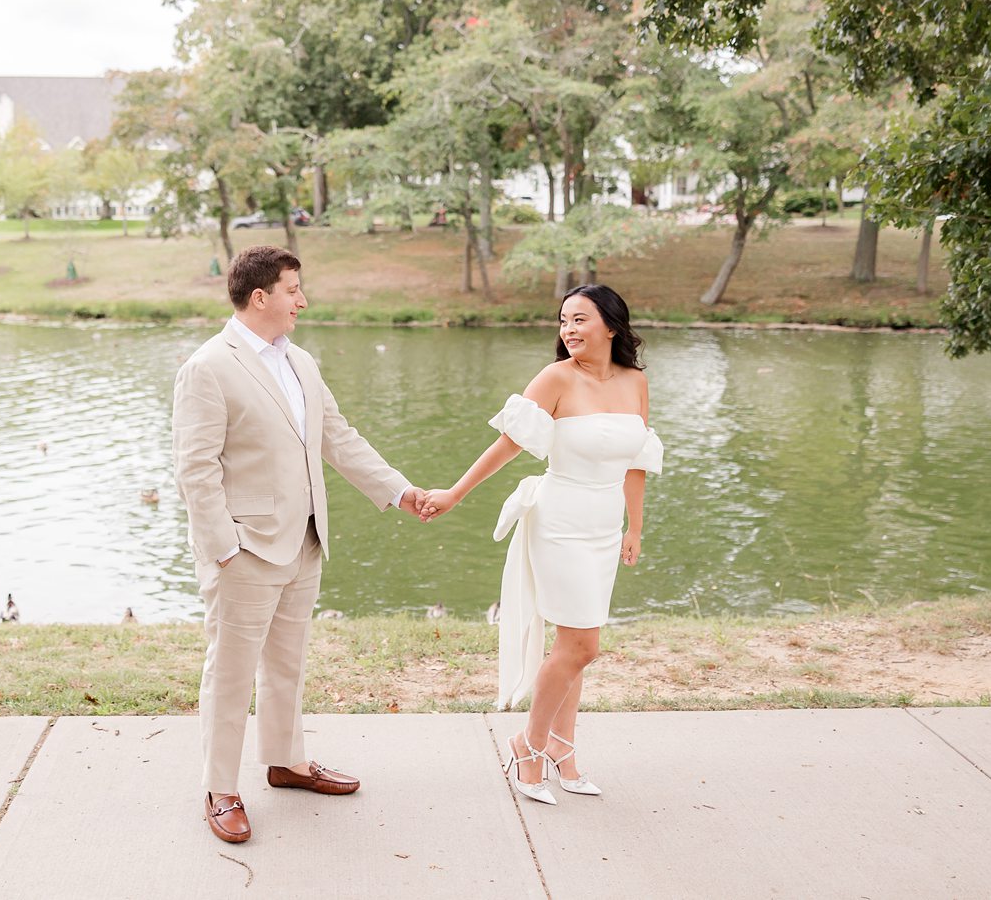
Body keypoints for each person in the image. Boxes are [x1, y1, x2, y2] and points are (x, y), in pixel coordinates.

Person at [172, 244, 424, 844]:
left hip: (306, 540)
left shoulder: (301, 361)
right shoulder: (208, 367)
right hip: (247, 550)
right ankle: (220, 788)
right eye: (293, 291)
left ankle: (286, 761)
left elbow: (338, 437)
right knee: (231, 675)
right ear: (260, 297)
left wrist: (400, 491)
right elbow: (195, 470)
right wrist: (225, 549)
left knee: (287, 663)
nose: (302, 301)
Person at [419, 284, 662, 805]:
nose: (569, 330)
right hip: (559, 519)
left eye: (580, 320)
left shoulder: (636, 381)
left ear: (612, 326)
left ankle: (562, 748)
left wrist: (634, 528)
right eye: (563, 321)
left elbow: (638, 460)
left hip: (603, 525)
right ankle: (527, 744)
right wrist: (455, 493)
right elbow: (509, 444)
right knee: (582, 645)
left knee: (572, 645)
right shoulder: (556, 379)